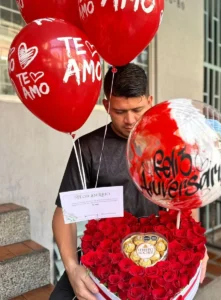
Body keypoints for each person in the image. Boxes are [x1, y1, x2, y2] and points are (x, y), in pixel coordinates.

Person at [50, 63, 208, 300]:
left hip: (161, 256)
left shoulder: (170, 143)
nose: (130, 119)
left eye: (138, 109)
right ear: (106, 106)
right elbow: (64, 214)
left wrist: (198, 248)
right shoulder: (88, 148)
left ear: (150, 100)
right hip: (106, 258)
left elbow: (187, 201)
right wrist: (72, 268)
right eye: (120, 111)